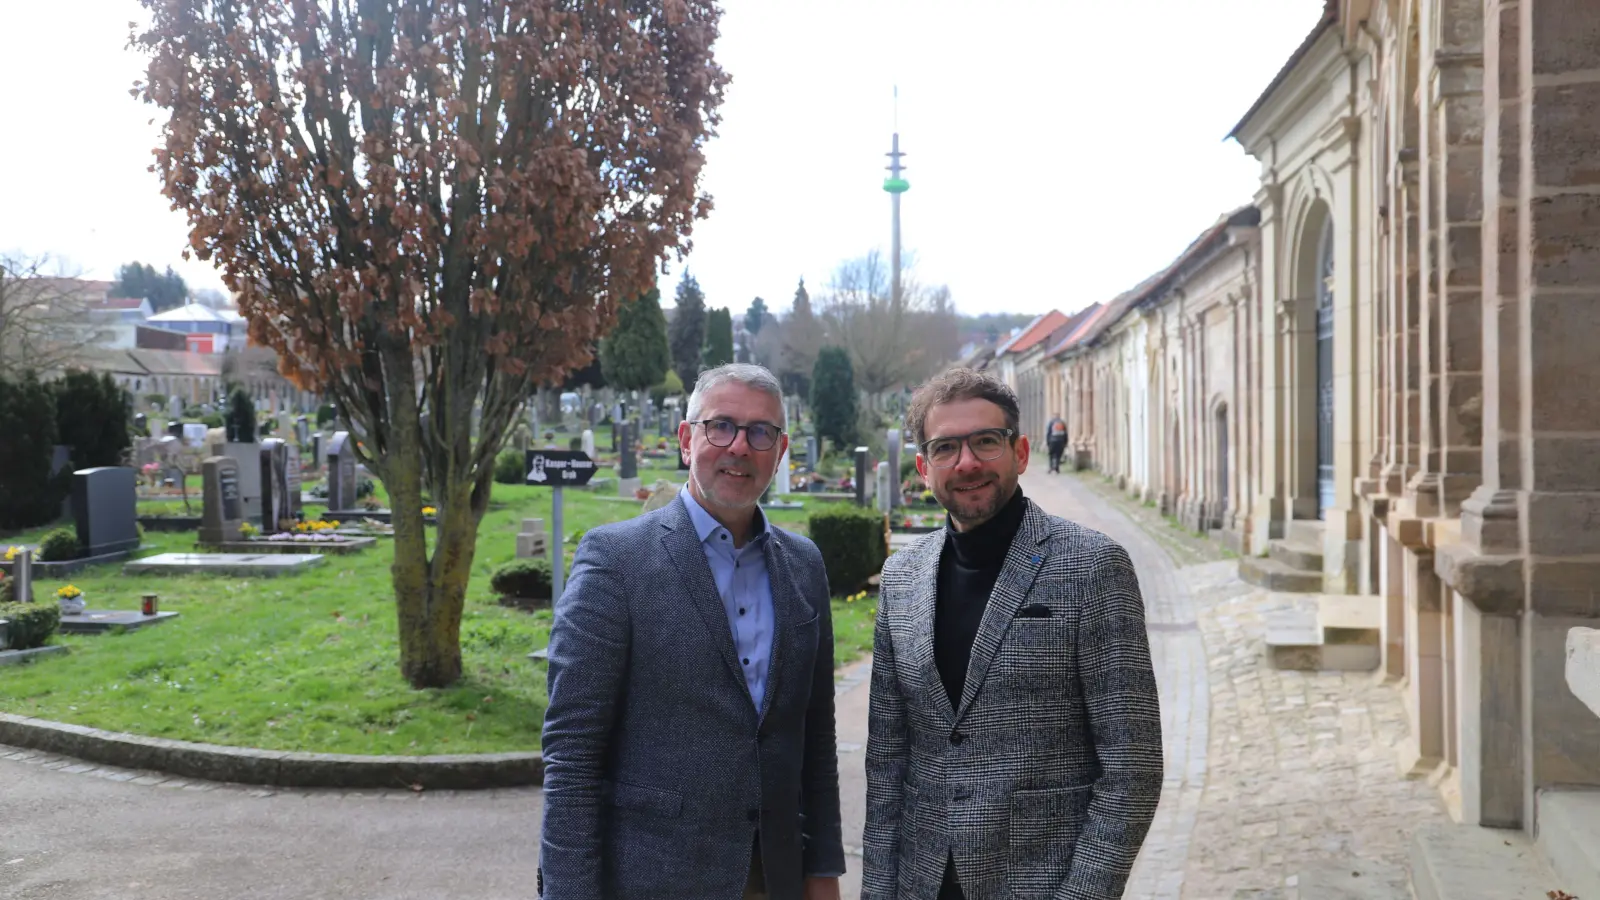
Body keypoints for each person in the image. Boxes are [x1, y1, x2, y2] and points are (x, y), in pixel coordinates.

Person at [539, 363, 845, 900]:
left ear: (780, 449)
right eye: (720, 426)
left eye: (760, 432)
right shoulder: (616, 560)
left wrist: (821, 872)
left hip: (772, 876)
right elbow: (573, 752)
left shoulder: (804, 565)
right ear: (687, 439)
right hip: (652, 877)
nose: (740, 447)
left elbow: (814, 736)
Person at [862, 368, 1163, 900]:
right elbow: (888, 761)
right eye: (946, 448)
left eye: (985, 441)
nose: (968, 462)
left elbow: (1132, 769)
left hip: (1042, 882)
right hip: (921, 884)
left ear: (1020, 452)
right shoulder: (902, 578)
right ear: (923, 468)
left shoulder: (1093, 567)